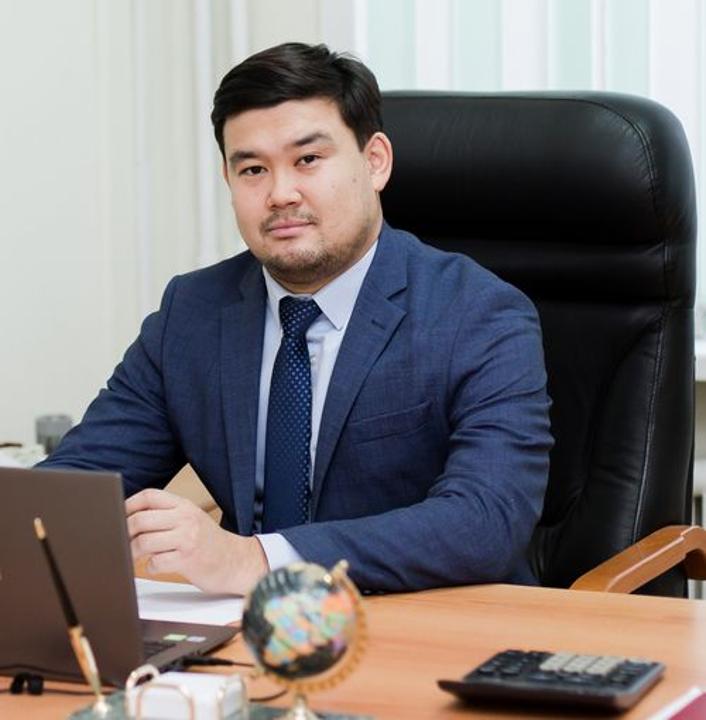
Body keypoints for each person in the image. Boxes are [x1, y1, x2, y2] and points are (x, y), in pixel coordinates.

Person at [40, 42, 553, 595]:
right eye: (253, 169)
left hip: (423, 621)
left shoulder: (478, 313)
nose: (280, 194)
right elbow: (73, 492)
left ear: (375, 162)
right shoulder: (191, 313)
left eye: (307, 160)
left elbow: (486, 520)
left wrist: (254, 559)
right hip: (249, 630)